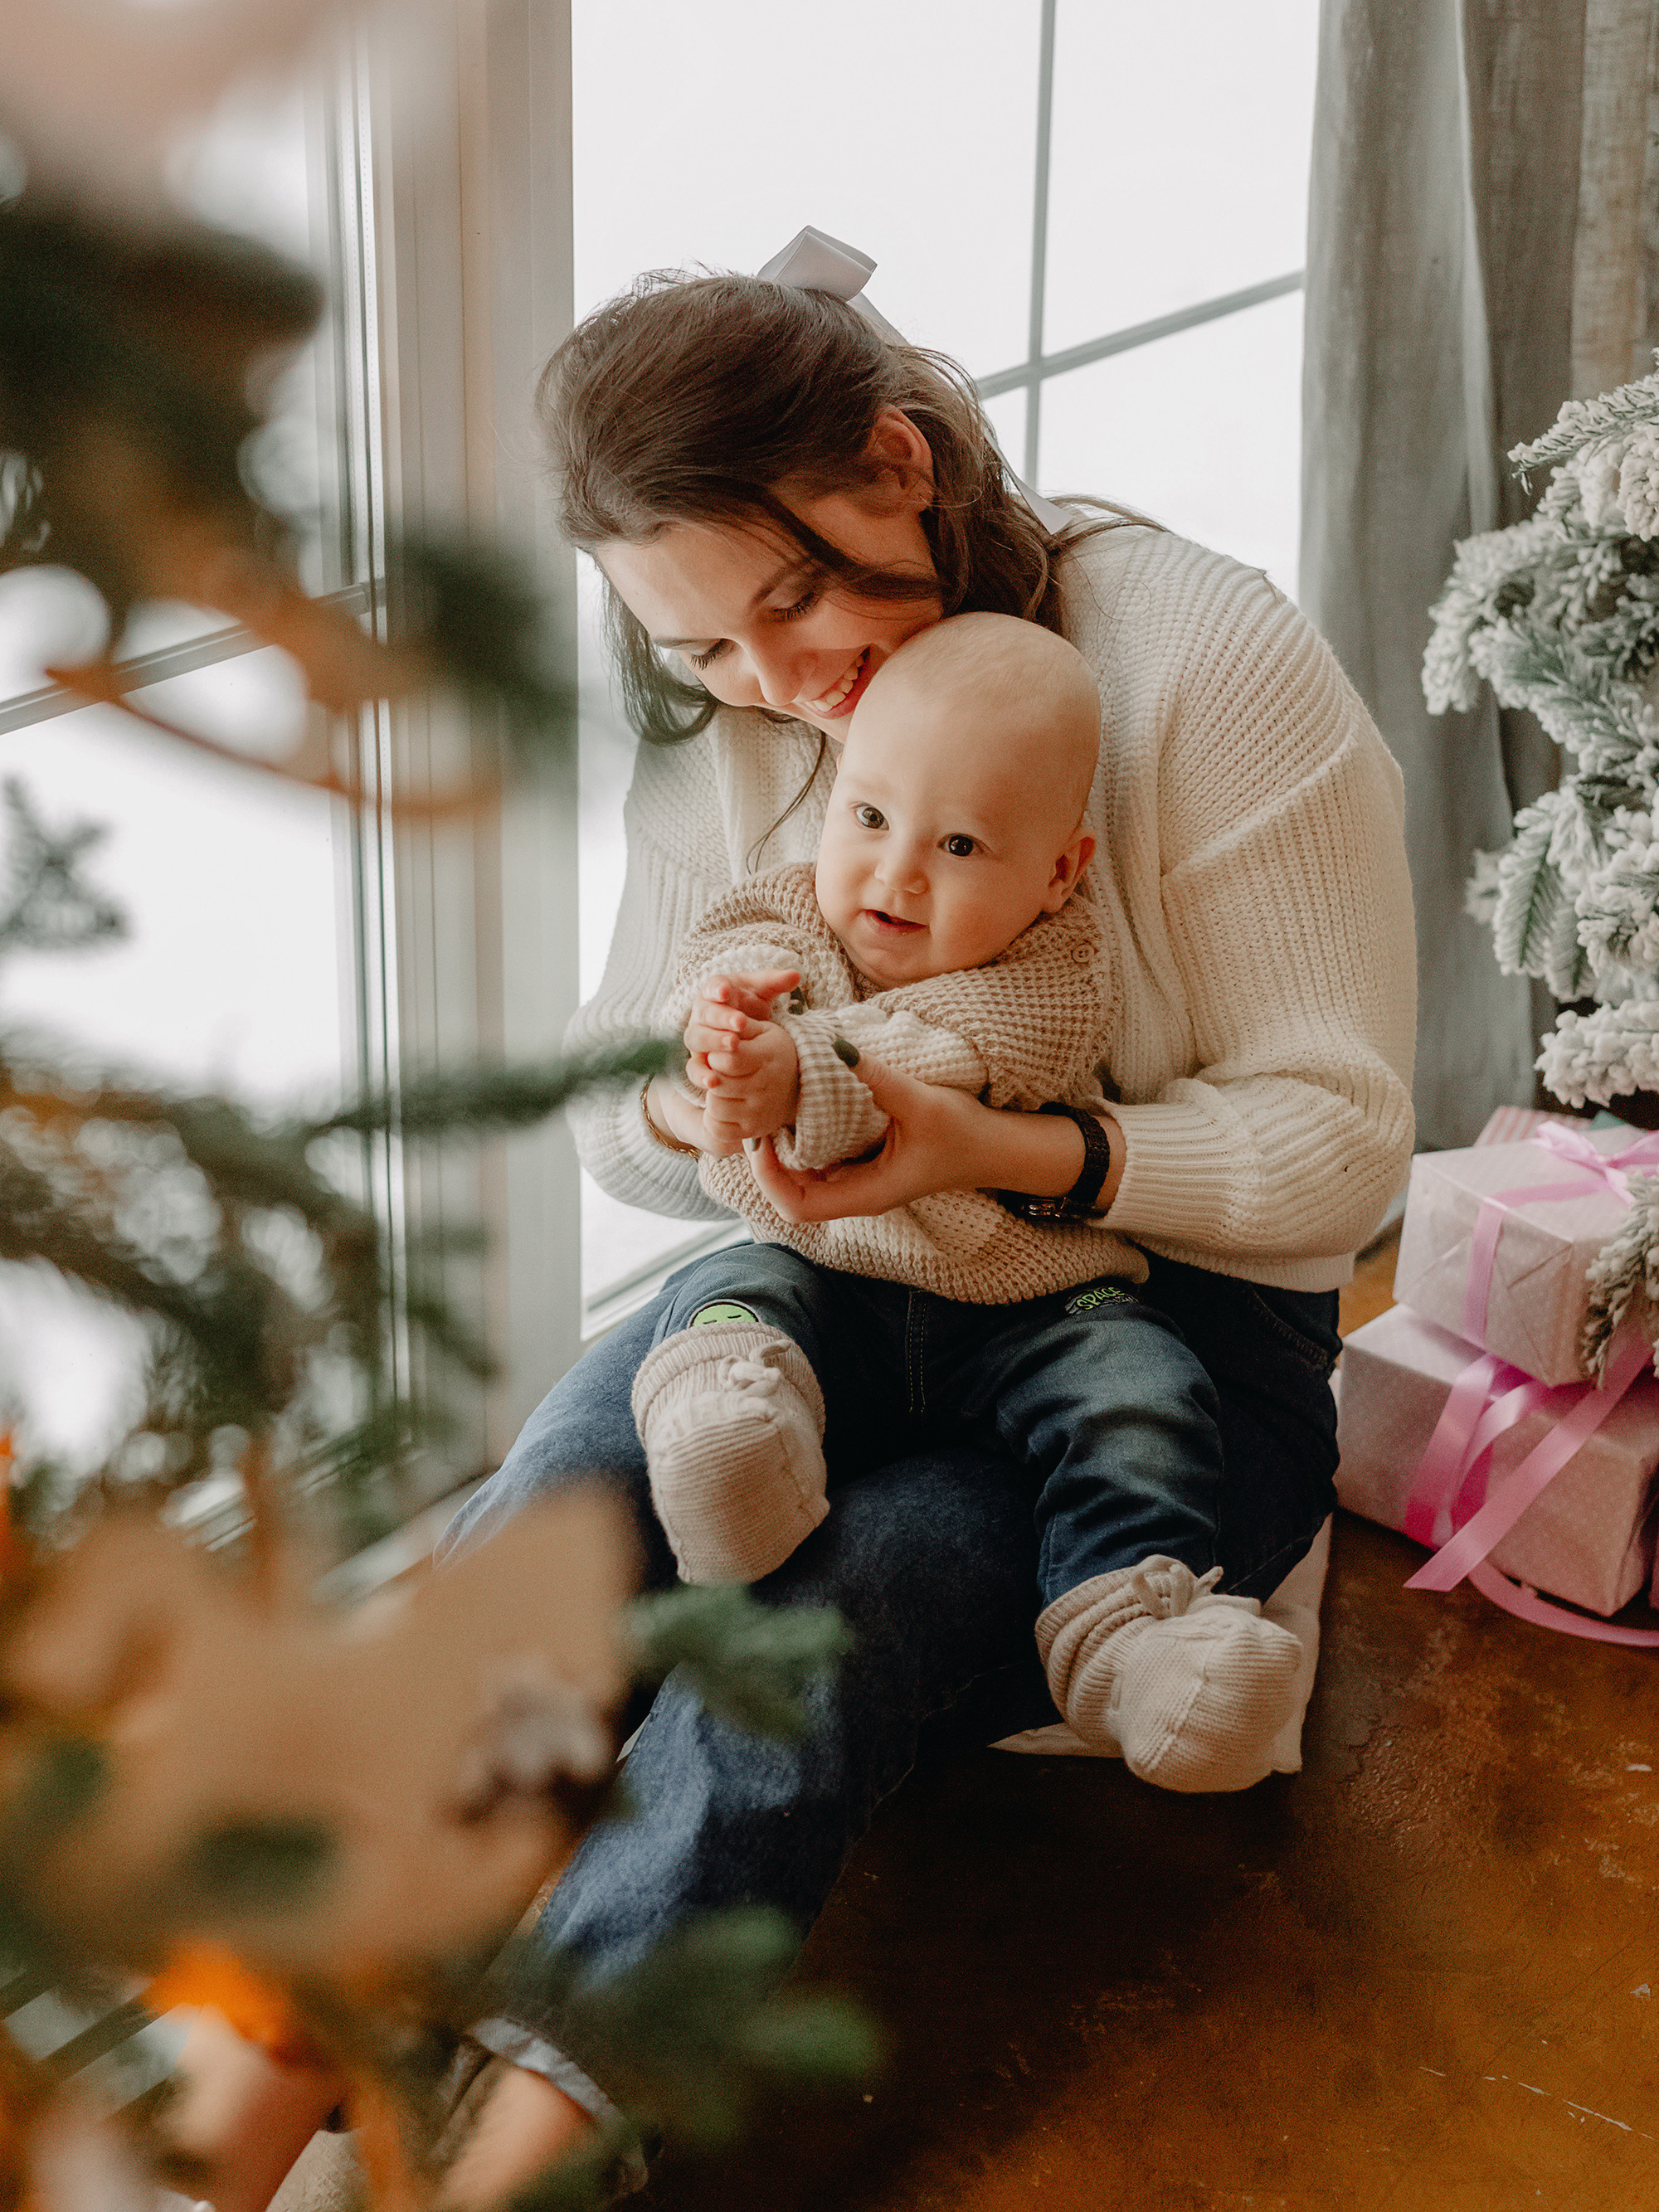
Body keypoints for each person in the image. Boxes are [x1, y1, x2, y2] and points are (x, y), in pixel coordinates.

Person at [174, 260, 1416, 2209]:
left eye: (797, 596)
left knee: (805, 1637)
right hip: (828, 1283)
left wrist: (1001, 1141)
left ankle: (526, 2163)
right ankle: (214, 2127)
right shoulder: (733, 704)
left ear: (895, 463)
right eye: (706, 650)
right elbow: (615, 1113)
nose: (782, 682)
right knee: (562, 1529)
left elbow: (1342, 1150)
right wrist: (710, 1091)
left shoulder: (1199, 660)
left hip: (1150, 1344)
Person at [636, 608, 1306, 1795]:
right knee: (723, 1295)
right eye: (873, 817)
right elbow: (709, 974)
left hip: (1023, 1302)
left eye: (959, 847)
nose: (895, 873)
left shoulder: (1054, 970)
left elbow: (937, 1057)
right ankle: (733, 1443)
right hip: (827, 1273)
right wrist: (718, 1043)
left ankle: (1128, 1634)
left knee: (1141, 1390)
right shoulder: (786, 916)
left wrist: (798, 1073)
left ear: (1057, 870)